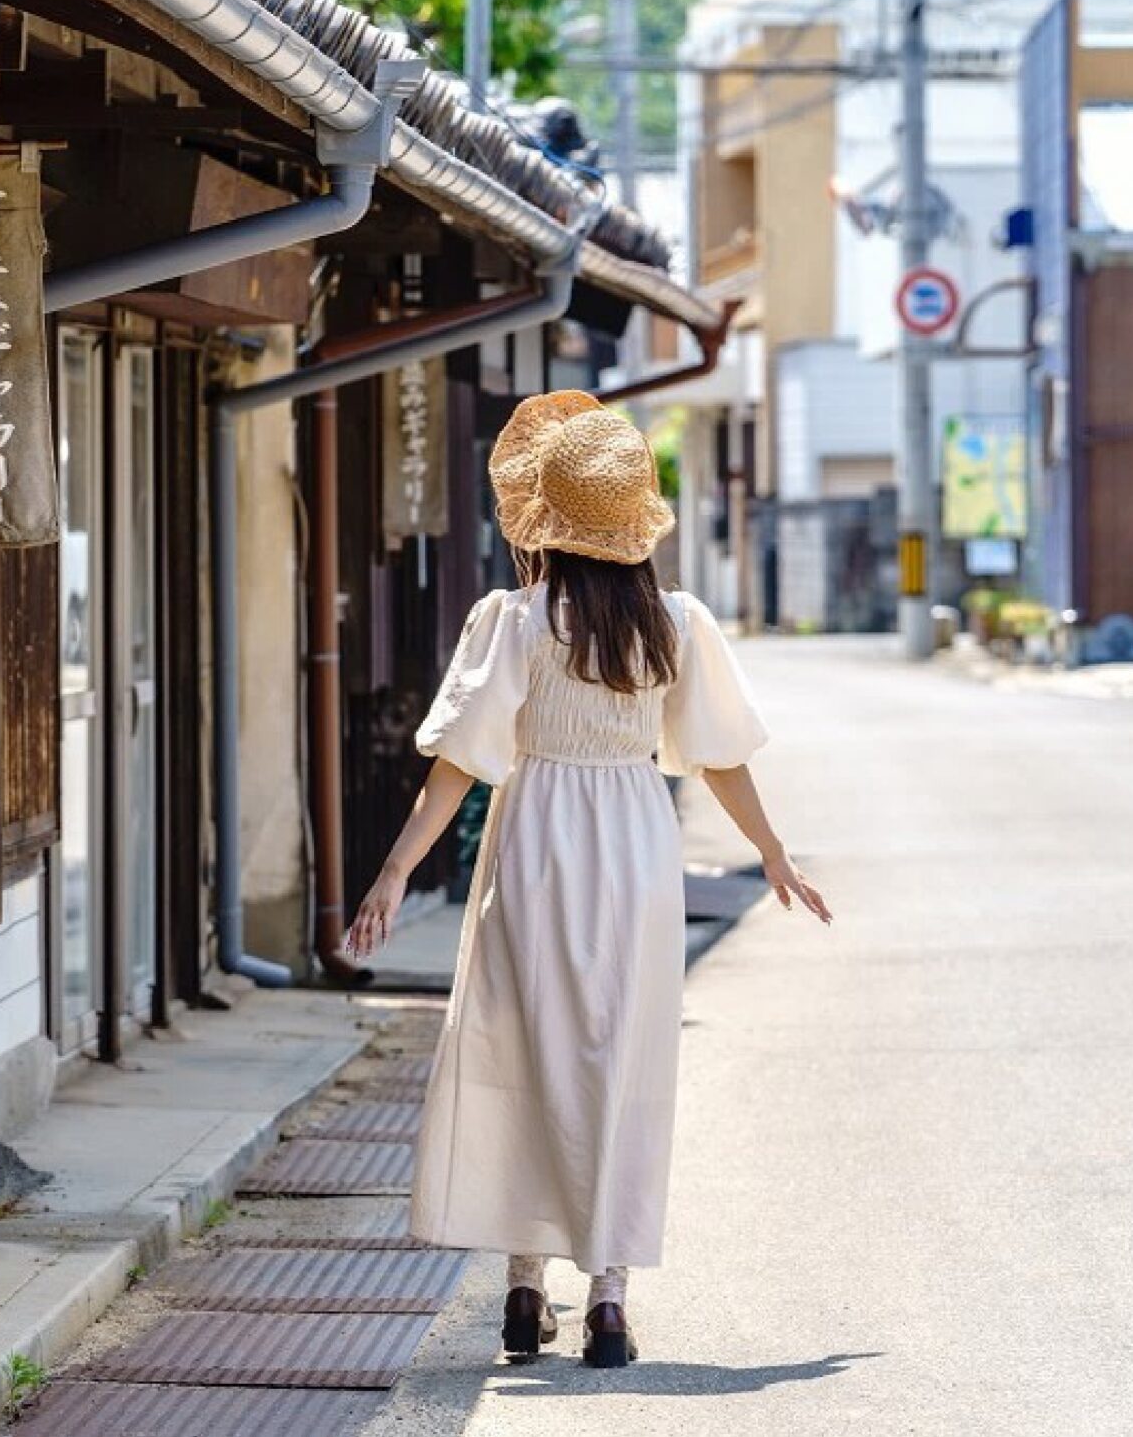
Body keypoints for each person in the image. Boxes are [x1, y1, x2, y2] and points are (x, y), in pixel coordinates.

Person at [345, 392, 833, 1371]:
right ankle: (608, 1301)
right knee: (621, 1061)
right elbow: (718, 756)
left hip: (536, 843)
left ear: (545, 524)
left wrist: (393, 873)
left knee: (527, 1052)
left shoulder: (516, 620)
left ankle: (524, 1291)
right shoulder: (676, 624)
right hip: (635, 850)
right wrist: (772, 851)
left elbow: (458, 763)